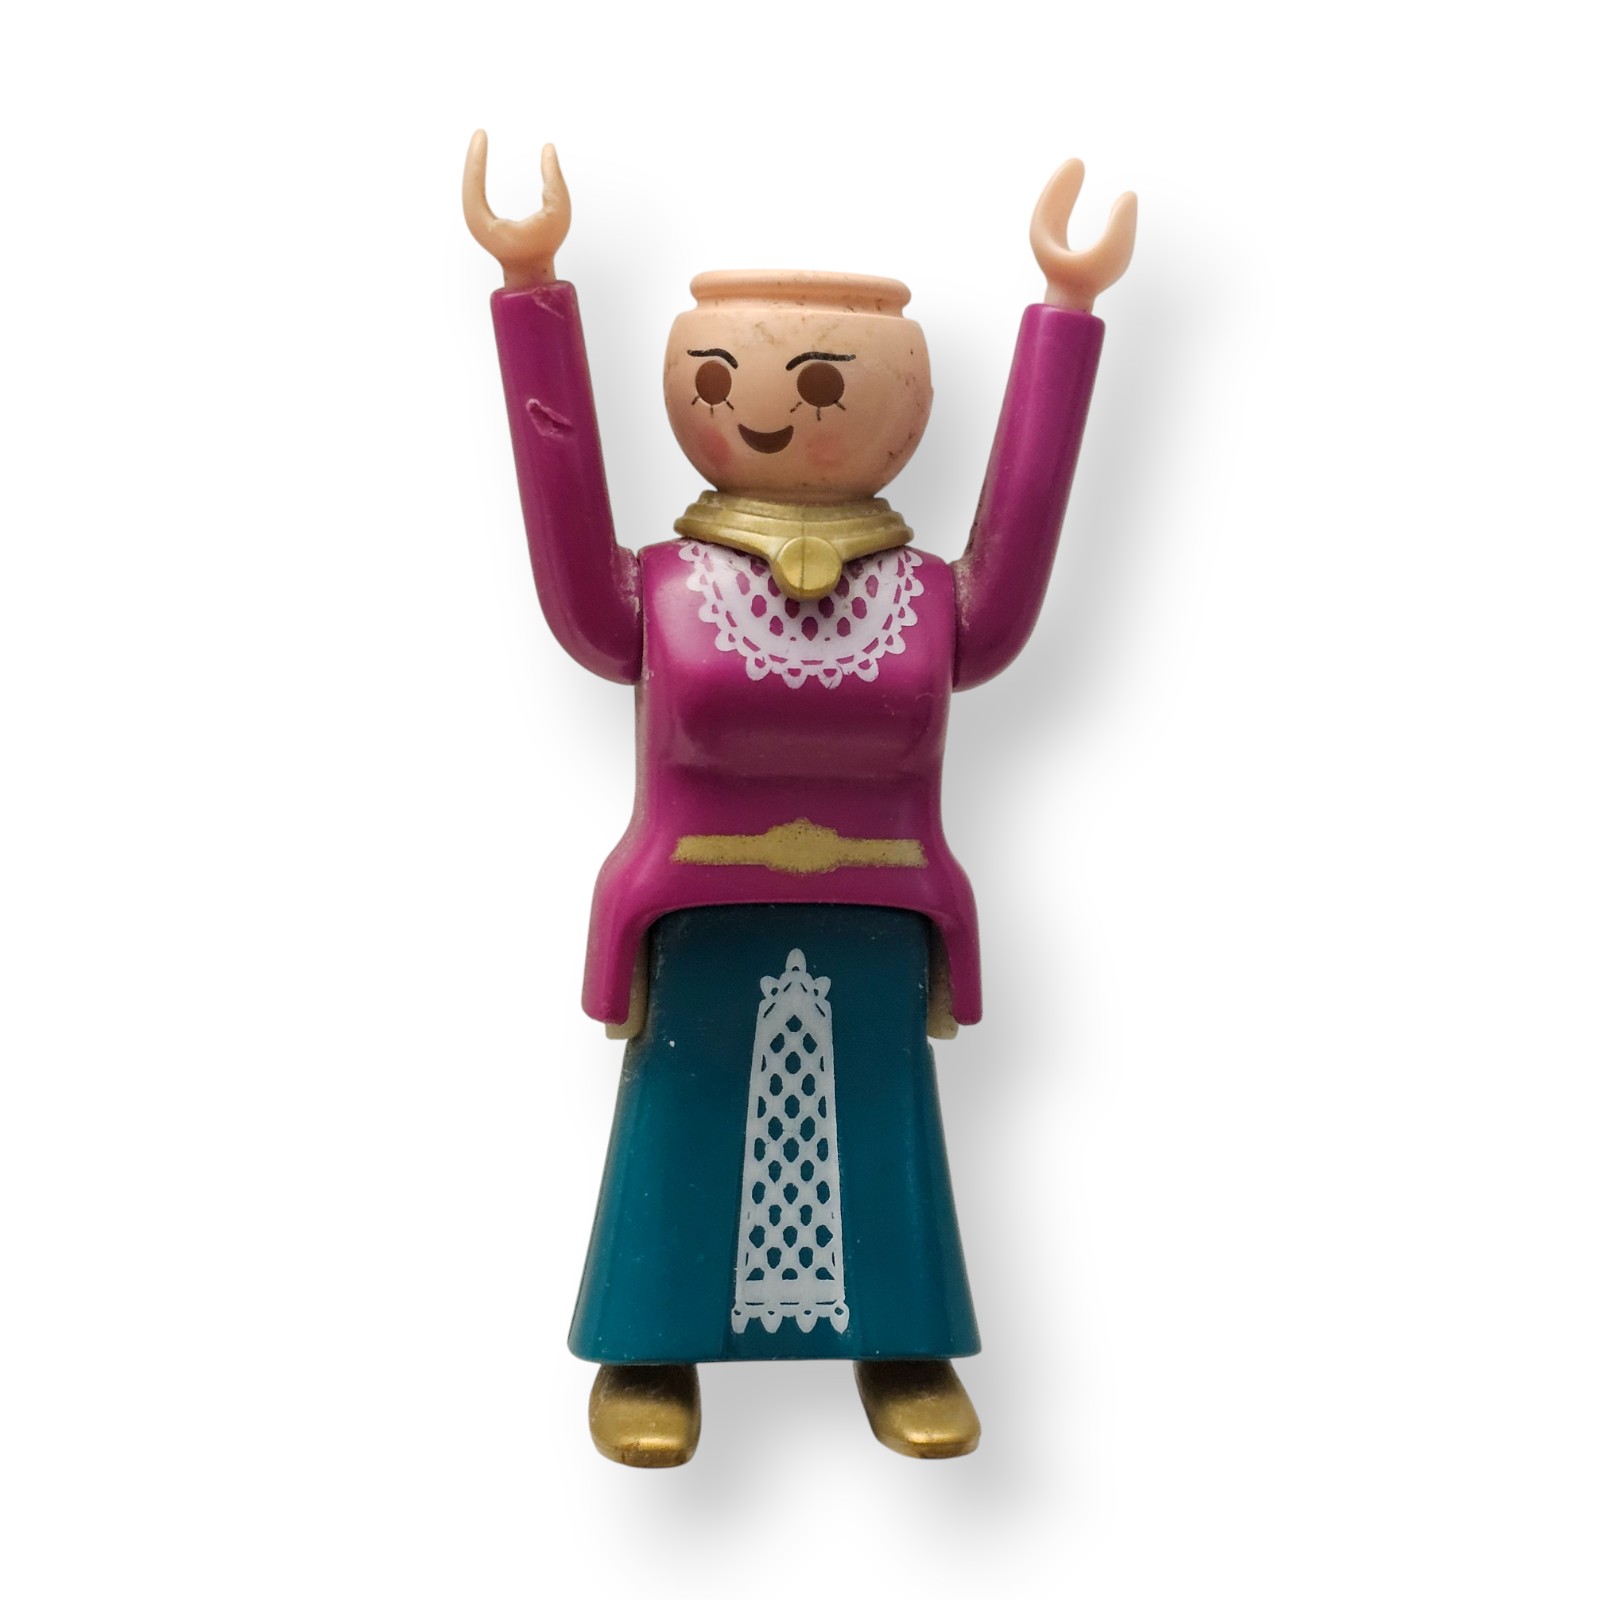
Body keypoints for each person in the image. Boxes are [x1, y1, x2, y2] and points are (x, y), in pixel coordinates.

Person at [463, 135, 1135, 1466]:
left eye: (822, 383)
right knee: (682, 1125)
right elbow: (567, 549)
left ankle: (902, 1337)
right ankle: (652, 1341)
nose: (766, 405)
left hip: (879, 907)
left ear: (898, 405)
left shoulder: (929, 599)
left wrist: (1066, 312)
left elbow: (1015, 554)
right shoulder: (659, 592)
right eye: (720, 376)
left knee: (884, 1128)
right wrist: (531, 288)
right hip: (699, 901)